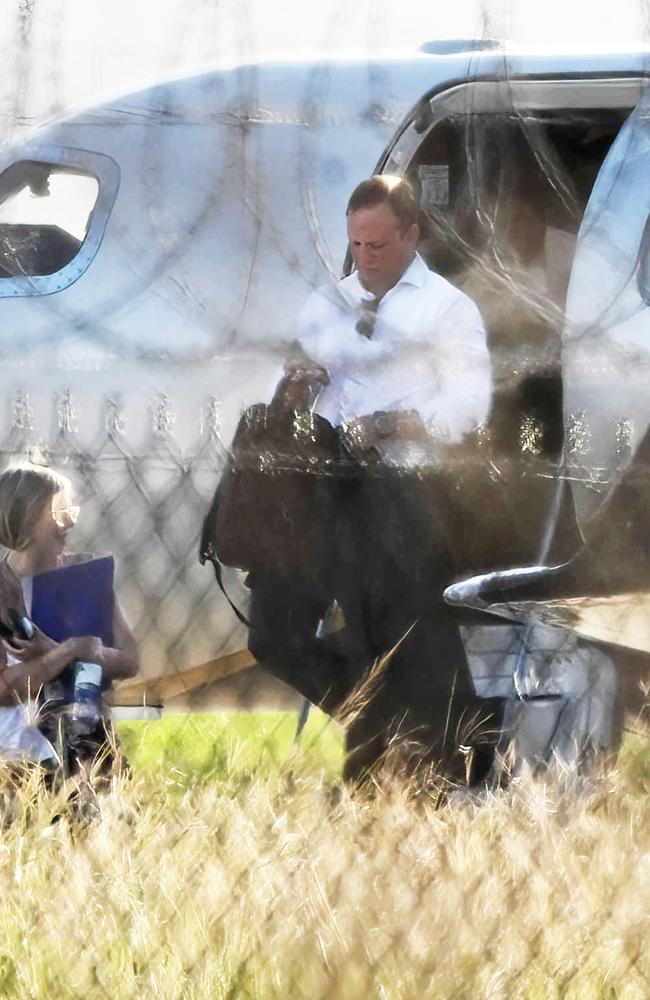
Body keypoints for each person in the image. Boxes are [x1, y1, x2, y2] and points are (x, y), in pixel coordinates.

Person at [250, 174, 495, 782]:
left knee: (394, 640)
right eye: (357, 245)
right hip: (324, 492)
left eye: (379, 246)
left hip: (402, 496)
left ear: (413, 235)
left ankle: (405, 764)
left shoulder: (447, 308)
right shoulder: (325, 304)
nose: (365, 258)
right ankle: (385, 719)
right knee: (273, 633)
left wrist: (395, 422)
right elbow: (288, 398)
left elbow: (471, 406)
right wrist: (292, 391)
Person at [0, 464, 138, 773]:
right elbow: (6, 691)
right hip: (18, 749)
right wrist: (68, 650)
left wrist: (57, 651)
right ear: (26, 517)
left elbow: (130, 661)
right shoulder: (3, 587)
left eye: (71, 511)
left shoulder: (86, 579)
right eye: (59, 512)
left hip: (85, 735)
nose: (70, 523)